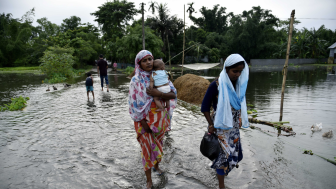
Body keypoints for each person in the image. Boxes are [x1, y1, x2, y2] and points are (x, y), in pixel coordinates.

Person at [128, 50, 177, 189]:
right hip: (143, 121)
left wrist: (158, 93)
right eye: (145, 60)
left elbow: (173, 94)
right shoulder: (136, 80)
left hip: (160, 120)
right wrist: (143, 123)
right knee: (146, 149)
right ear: (139, 64)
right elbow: (133, 104)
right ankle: (149, 180)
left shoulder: (160, 75)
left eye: (150, 59)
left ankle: (157, 166)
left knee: (158, 145)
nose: (148, 62)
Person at [201, 54, 249, 189]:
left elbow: (238, 104)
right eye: (235, 71)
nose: (238, 74)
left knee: (233, 154)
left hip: (233, 128)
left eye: (240, 71)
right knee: (222, 156)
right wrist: (211, 124)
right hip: (220, 126)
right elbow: (204, 107)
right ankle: (221, 186)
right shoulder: (216, 85)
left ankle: (220, 172)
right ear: (226, 69)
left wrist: (239, 118)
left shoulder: (239, 86)